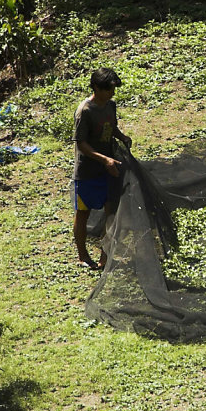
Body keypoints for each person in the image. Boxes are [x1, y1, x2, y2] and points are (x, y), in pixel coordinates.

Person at [72, 67, 132, 269]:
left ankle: (105, 256)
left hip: (108, 169)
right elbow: (81, 143)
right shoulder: (85, 111)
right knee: (83, 213)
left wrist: (121, 136)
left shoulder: (110, 106)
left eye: (113, 89)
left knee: (110, 211)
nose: (111, 93)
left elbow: (111, 127)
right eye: (108, 89)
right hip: (87, 172)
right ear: (96, 87)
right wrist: (104, 159)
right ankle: (82, 256)